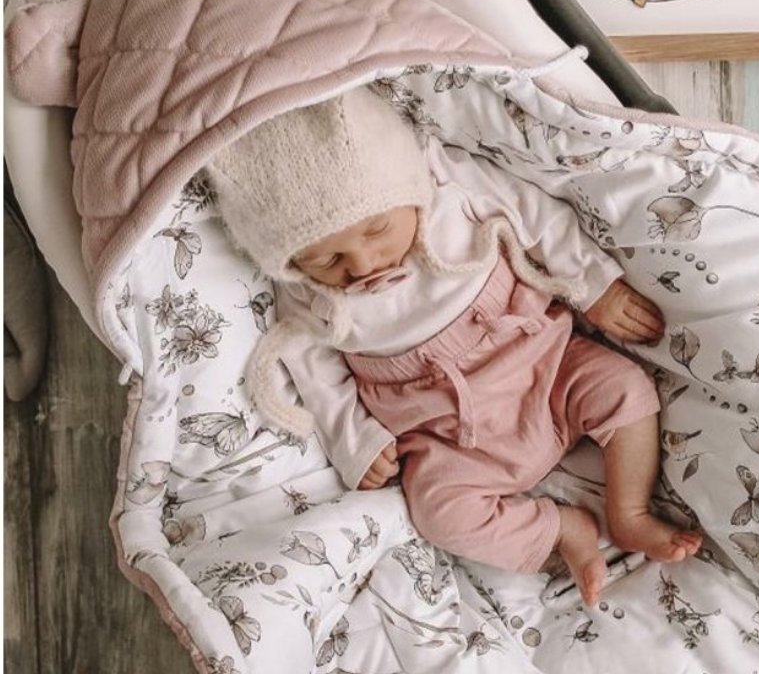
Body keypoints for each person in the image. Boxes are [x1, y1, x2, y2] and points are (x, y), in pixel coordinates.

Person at [207, 86, 702, 606]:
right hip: (444, 434)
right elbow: (315, 370)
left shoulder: (447, 186)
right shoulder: (307, 298)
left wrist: (593, 286)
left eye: (378, 229)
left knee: (624, 387)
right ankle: (561, 528)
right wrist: (357, 441)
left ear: (409, 187)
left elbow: (534, 215)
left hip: (546, 364)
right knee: (437, 512)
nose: (363, 264)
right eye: (328, 261)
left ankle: (629, 512)